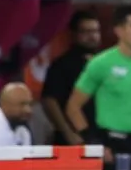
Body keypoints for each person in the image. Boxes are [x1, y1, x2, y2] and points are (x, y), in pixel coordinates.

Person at [66, 6, 131, 170]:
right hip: (110, 145)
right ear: (119, 30)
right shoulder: (101, 63)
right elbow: (73, 107)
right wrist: (93, 143)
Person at [41, 12, 102, 145]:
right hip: (74, 137)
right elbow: (49, 101)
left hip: (102, 136)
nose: (92, 36)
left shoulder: (105, 63)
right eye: (86, 32)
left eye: (95, 31)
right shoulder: (62, 65)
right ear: (74, 34)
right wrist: (68, 133)